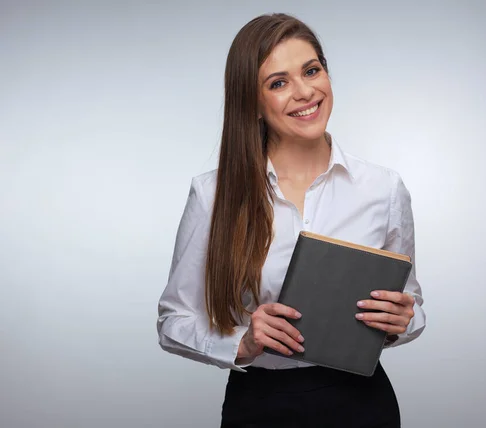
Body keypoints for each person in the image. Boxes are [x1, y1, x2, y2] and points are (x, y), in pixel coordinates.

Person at [157, 13, 426, 428]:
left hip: (362, 403)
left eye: (312, 70)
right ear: (254, 103)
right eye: (278, 83)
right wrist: (242, 343)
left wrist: (399, 324)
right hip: (261, 405)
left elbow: (411, 306)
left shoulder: (384, 188)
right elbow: (174, 321)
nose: (305, 92)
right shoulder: (213, 195)